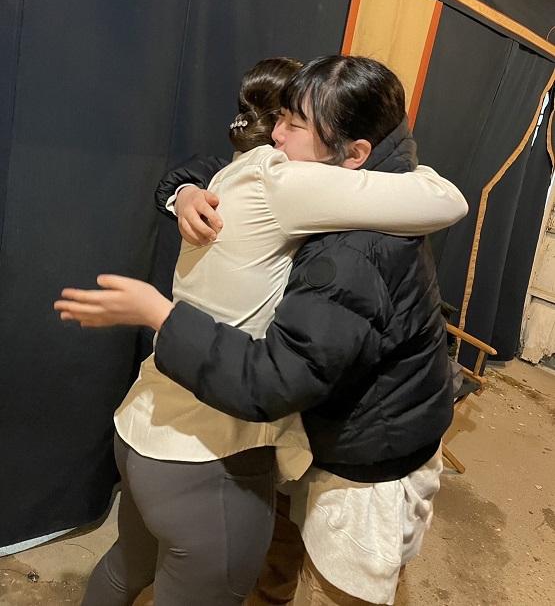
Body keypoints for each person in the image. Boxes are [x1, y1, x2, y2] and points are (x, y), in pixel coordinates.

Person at [55, 56, 467, 606]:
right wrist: (164, 300)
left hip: (143, 428)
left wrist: (183, 205)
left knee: (126, 568)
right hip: (203, 454)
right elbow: (444, 197)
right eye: (278, 118)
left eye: (293, 124)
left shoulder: (250, 171)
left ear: (355, 153)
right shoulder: (286, 178)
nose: (275, 134)